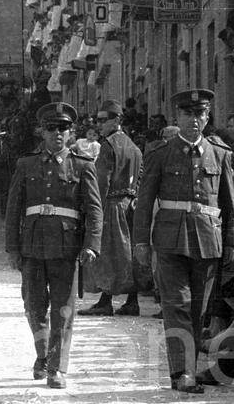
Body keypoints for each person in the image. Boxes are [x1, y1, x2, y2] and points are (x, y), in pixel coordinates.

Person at [133, 89, 234, 394]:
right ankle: (183, 374)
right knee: (176, 305)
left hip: (207, 239)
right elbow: (144, 201)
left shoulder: (220, 154)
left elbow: (228, 203)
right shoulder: (160, 152)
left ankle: (186, 370)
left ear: (207, 117)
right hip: (168, 239)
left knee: (197, 310)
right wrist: (141, 242)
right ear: (177, 117)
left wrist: (231, 242)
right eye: (188, 114)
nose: (194, 120)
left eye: (200, 114)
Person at [5, 102, 102, 390]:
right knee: (33, 306)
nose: (57, 134)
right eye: (51, 128)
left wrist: (91, 245)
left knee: (63, 309)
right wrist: (12, 247)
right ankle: (43, 354)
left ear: (71, 132)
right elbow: (14, 209)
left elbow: (94, 210)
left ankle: (57, 368)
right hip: (32, 246)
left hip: (66, 246)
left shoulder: (82, 166)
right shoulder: (26, 164)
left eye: (63, 128)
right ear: (41, 132)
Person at [79, 100, 145, 316]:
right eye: (97, 120)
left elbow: (101, 181)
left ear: (116, 120)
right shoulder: (133, 147)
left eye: (103, 120)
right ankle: (132, 301)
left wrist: (91, 205)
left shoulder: (109, 146)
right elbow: (141, 177)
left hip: (112, 204)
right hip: (131, 204)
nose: (99, 124)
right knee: (128, 253)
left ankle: (105, 301)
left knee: (108, 253)